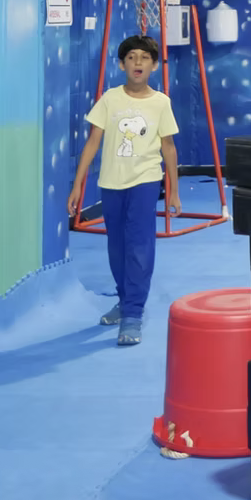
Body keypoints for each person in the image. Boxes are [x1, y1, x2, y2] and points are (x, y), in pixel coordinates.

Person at [68, 34, 181, 345]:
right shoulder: (110, 99)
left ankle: (133, 313)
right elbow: (93, 142)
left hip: (145, 181)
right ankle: (123, 299)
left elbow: (169, 147)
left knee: (139, 246)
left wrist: (173, 190)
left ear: (154, 65)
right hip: (111, 183)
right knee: (117, 247)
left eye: (144, 58)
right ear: (121, 65)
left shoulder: (161, 103)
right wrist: (77, 184)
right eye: (131, 57)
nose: (137, 62)